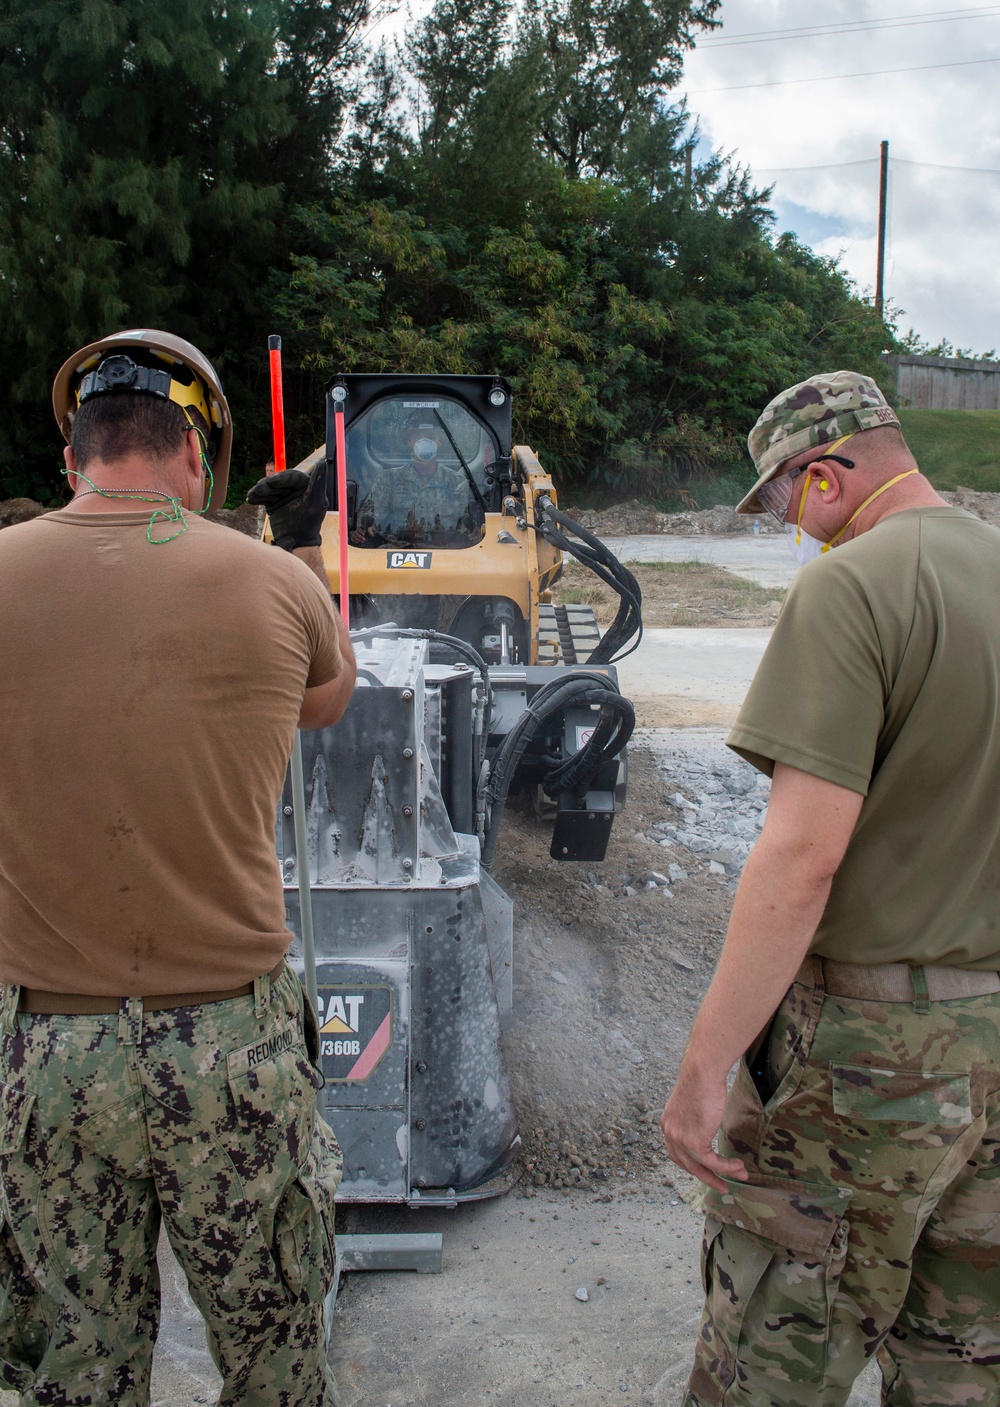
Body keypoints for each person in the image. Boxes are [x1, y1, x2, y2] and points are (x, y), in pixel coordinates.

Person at [0, 329, 356, 1406]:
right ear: (195, 458)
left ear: (73, 455)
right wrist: (288, 548)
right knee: (274, 1357)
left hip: (51, 1050)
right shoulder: (273, 586)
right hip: (231, 1045)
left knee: (74, 1372)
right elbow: (322, 699)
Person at [659, 371, 1000, 1407]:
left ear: (824, 473)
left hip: (867, 1061)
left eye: (777, 503)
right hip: (992, 1037)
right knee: (962, 1359)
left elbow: (800, 861)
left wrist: (707, 1063)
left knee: (772, 1354)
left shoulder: (851, 587)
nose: (787, 528)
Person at [354, 412, 480, 545]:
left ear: (440, 442)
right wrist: (361, 528)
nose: (424, 441)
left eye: (431, 437)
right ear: (409, 441)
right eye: (418, 436)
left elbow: (467, 523)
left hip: (443, 554)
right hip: (394, 550)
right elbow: (371, 515)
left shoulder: (457, 482)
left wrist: (476, 531)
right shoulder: (388, 479)